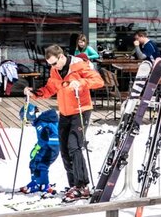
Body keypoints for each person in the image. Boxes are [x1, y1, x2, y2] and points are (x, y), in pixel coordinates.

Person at [25, 45, 104, 203]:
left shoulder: (79, 65)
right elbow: (50, 88)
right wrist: (34, 93)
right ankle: (73, 184)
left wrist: (80, 83)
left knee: (74, 146)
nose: (52, 67)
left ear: (61, 57)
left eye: (54, 63)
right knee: (64, 149)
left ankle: (83, 186)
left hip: (81, 110)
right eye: (50, 65)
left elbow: (98, 81)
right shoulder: (55, 70)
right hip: (65, 112)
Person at [17, 104, 60, 195]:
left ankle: (44, 185)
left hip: (51, 147)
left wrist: (37, 147)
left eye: (28, 119)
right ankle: (36, 182)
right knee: (33, 163)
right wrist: (37, 146)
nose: (29, 122)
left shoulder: (41, 122)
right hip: (47, 145)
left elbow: (44, 138)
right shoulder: (43, 119)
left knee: (42, 165)